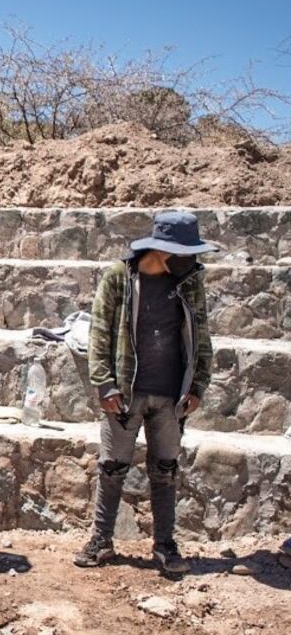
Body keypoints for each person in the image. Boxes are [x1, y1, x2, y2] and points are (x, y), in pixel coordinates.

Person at [75, 210, 216, 575]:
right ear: (163, 250)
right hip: (125, 393)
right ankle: (101, 540)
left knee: (165, 469)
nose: (194, 261)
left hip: (171, 396)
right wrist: (104, 383)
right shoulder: (119, 278)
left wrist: (198, 384)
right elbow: (99, 335)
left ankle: (165, 545)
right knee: (112, 466)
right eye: (187, 253)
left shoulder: (188, 282)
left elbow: (201, 336)